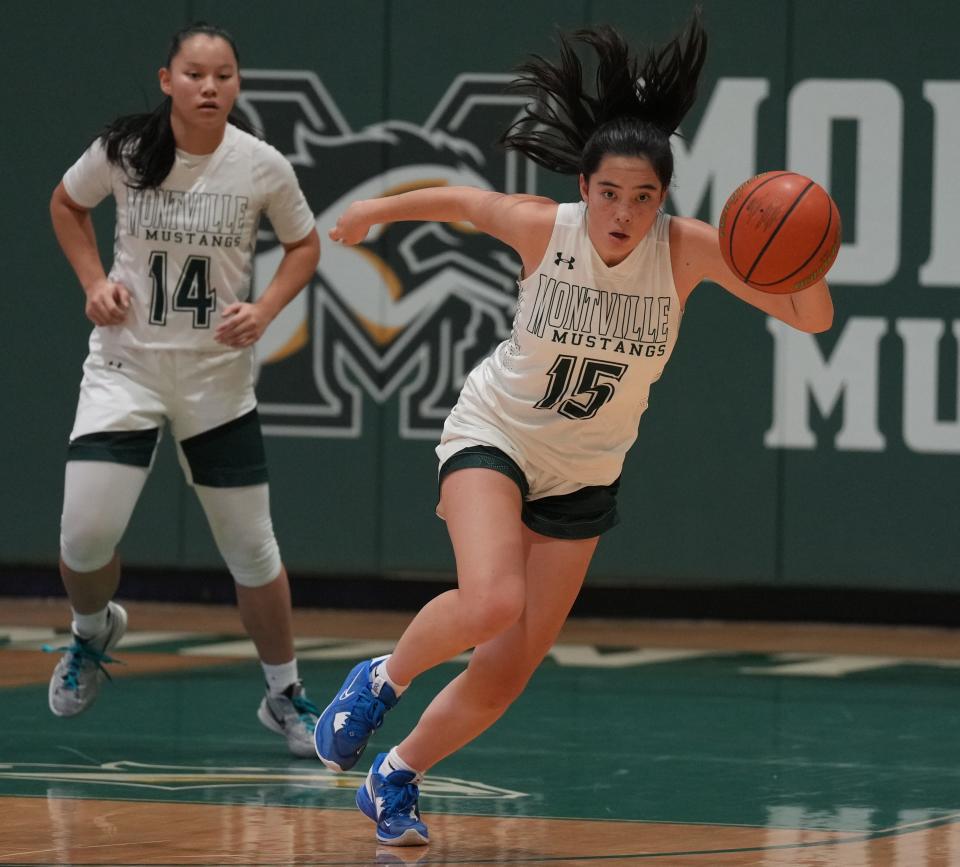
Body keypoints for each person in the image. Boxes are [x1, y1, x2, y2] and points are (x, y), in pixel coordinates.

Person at [314, 11, 834, 845]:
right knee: (491, 599)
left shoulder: (689, 249)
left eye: (643, 196)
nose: (623, 212)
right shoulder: (541, 228)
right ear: (584, 187)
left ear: (663, 199)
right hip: (496, 435)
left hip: (586, 472)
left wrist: (805, 257)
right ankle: (381, 677)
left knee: (506, 671)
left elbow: (809, 316)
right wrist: (373, 210)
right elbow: (459, 200)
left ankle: (394, 776)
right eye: (608, 193)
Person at [47, 22, 323, 758]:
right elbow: (67, 206)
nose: (210, 86)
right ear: (167, 79)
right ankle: (91, 628)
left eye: (224, 74)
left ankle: (284, 692)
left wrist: (264, 310)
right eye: (195, 73)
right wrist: (93, 283)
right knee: (83, 536)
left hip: (215, 381)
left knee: (252, 551)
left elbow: (305, 244)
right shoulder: (126, 151)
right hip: (125, 368)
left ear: (237, 84)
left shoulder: (260, 165)